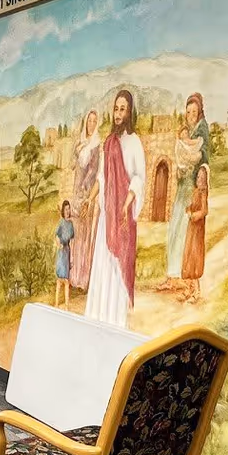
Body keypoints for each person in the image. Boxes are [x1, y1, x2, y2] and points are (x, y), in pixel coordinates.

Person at [85, 88, 145, 328]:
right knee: (103, 266)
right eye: (116, 109)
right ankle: (97, 318)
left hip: (122, 218)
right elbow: (102, 177)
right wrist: (91, 199)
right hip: (106, 218)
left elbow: (139, 178)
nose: (118, 114)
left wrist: (126, 204)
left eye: (123, 109)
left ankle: (115, 322)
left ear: (129, 113)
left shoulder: (134, 142)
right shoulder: (109, 143)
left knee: (118, 268)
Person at [161, 92, 208, 291]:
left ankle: (184, 277)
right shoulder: (187, 132)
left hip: (192, 191)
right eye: (188, 112)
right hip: (183, 187)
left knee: (184, 232)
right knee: (174, 228)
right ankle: (172, 276)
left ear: (199, 113)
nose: (190, 115)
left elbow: (201, 158)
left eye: (194, 112)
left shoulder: (202, 131)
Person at [68, 108, 103, 291]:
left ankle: (82, 278)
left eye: (94, 121)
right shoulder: (80, 142)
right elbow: (72, 166)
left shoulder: (96, 145)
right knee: (75, 232)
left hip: (86, 192)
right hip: (76, 192)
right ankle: (72, 277)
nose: (91, 124)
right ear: (85, 122)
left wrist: (84, 189)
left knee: (84, 233)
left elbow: (94, 170)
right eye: (89, 120)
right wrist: (76, 151)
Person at [180, 161, 209, 302]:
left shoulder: (203, 193)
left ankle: (196, 290)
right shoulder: (195, 191)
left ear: (206, 180)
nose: (200, 180)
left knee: (195, 256)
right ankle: (189, 288)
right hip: (191, 229)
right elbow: (191, 205)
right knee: (188, 255)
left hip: (198, 229)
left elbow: (204, 210)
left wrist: (194, 215)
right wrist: (188, 209)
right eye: (198, 177)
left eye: (202, 178)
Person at [53, 199, 76, 307]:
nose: (67, 211)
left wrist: (72, 258)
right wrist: (59, 244)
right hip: (61, 253)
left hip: (67, 252)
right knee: (59, 280)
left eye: (69, 209)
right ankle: (56, 304)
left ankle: (66, 306)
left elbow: (72, 240)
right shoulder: (61, 222)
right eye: (66, 209)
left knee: (67, 281)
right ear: (63, 210)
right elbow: (56, 235)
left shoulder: (71, 224)